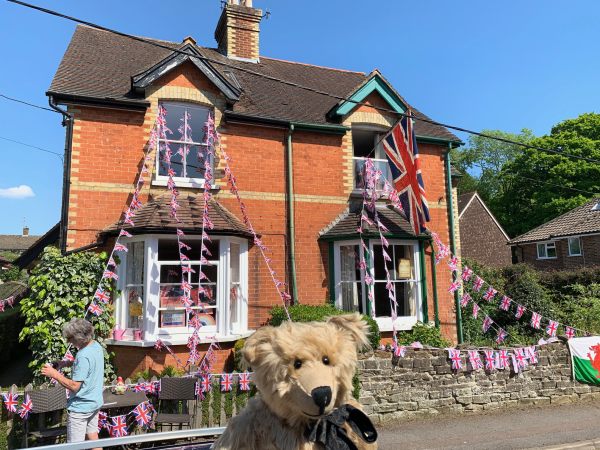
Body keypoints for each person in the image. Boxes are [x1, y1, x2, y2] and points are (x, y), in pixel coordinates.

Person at [41, 318, 104, 448]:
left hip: (81, 408)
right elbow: (89, 366)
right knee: (93, 438)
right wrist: (66, 363)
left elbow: (75, 386)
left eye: (70, 338)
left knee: (74, 447)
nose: (68, 341)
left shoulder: (83, 355)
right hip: (95, 402)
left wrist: (54, 374)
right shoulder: (95, 346)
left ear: (79, 337)